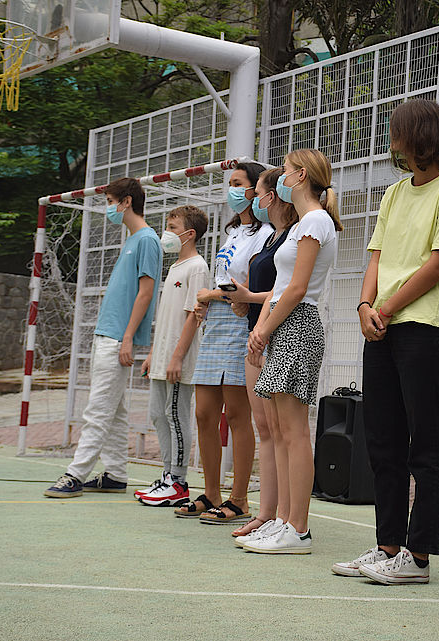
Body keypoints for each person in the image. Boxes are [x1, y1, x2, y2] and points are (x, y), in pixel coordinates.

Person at [332, 99, 439, 584]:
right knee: (383, 438)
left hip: (424, 327)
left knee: (424, 442)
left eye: (396, 133)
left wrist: (384, 309)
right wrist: (364, 306)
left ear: (417, 136)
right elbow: (376, 256)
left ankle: (418, 556)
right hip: (382, 325)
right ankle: (387, 545)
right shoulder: (393, 193)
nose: (392, 143)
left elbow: (438, 264)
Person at [243, 149, 341, 554]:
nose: (280, 177)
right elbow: (282, 285)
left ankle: (297, 528)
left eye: (285, 171)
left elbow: (298, 289)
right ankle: (283, 520)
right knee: (282, 429)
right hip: (283, 324)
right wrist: (263, 327)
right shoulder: (303, 223)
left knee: (295, 430)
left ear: (300, 176)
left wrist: (264, 328)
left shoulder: (316, 221)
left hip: (298, 325)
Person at [44, 177, 161, 498]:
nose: (108, 208)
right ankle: (116, 474)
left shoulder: (148, 240)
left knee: (97, 409)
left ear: (126, 202)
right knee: (114, 409)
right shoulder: (133, 239)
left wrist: (128, 337)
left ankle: (75, 474)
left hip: (117, 338)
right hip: (107, 334)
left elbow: (146, 293)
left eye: (110, 202)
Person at [173, 162, 273, 523]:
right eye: (229, 183)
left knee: (235, 414)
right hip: (215, 324)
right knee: (204, 413)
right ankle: (211, 492)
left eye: (238, 183)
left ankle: (239, 498)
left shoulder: (266, 234)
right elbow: (225, 282)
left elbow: (246, 288)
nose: (231, 189)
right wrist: (209, 300)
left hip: (239, 324)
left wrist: (209, 294)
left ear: (256, 189)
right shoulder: (233, 233)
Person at [221, 167, 298, 542]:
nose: (252, 200)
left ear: (272, 195)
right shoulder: (274, 239)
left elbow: (290, 290)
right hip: (257, 332)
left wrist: (251, 299)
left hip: (276, 334)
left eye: (256, 192)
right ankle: (267, 513)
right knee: (266, 429)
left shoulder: (289, 236)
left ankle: (287, 517)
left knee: (284, 430)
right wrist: (244, 303)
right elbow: (266, 290)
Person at [135, 205, 209, 507]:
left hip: (180, 358)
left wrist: (177, 357)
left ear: (189, 234)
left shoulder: (197, 267)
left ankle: (178, 481)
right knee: (157, 413)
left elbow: (194, 315)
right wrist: (154, 353)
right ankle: (167, 476)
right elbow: (166, 318)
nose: (166, 233)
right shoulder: (174, 267)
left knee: (175, 415)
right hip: (162, 357)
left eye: (172, 227)